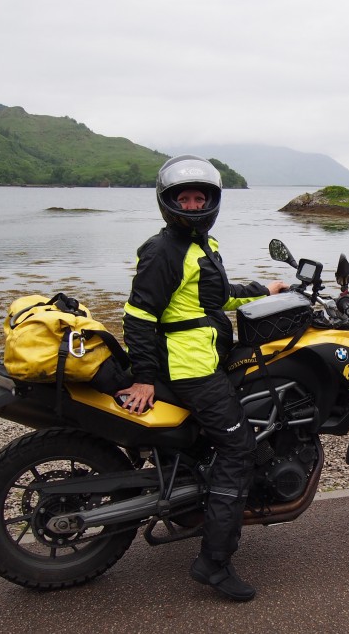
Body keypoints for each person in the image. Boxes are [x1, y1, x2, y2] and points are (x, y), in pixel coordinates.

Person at [116, 155, 285, 601]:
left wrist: (265, 290)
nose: (192, 205)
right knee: (239, 449)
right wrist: (145, 377)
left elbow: (215, 297)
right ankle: (214, 563)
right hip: (190, 370)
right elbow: (138, 315)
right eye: (184, 198)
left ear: (211, 201)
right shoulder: (164, 250)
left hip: (206, 360)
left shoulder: (200, 246)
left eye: (199, 197)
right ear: (169, 202)